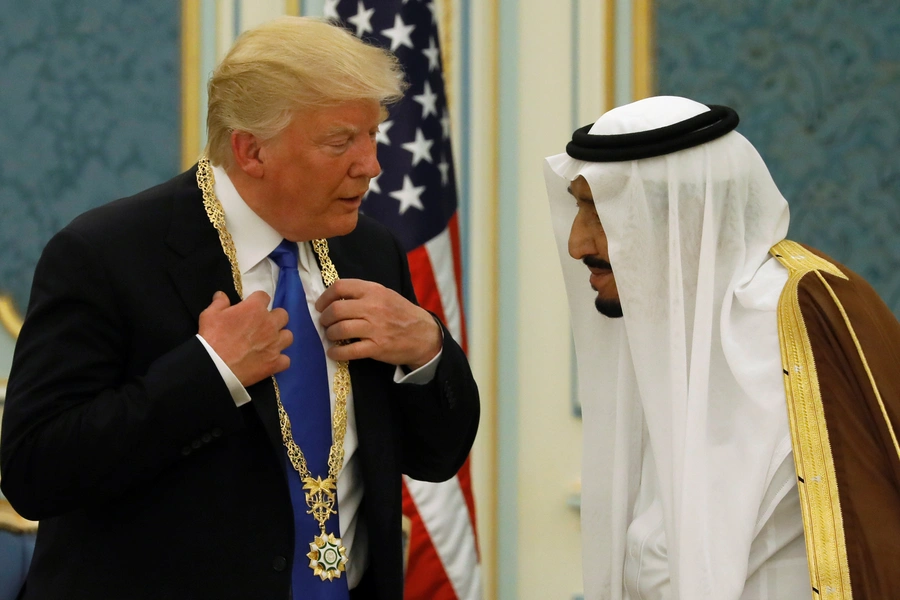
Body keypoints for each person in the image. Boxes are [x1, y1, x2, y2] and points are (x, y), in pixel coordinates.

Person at [0, 16, 479, 600]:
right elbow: (34, 473)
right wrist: (208, 372)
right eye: (340, 142)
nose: (371, 165)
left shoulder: (370, 249)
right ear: (251, 150)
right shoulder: (107, 254)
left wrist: (427, 349)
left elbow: (437, 457)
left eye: (372, 135)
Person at [544, 95, 900, 599]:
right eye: (579, 209)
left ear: (680, 214)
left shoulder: (806, 317)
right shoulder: (662, 325)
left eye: (601, 211)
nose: (577, 244)